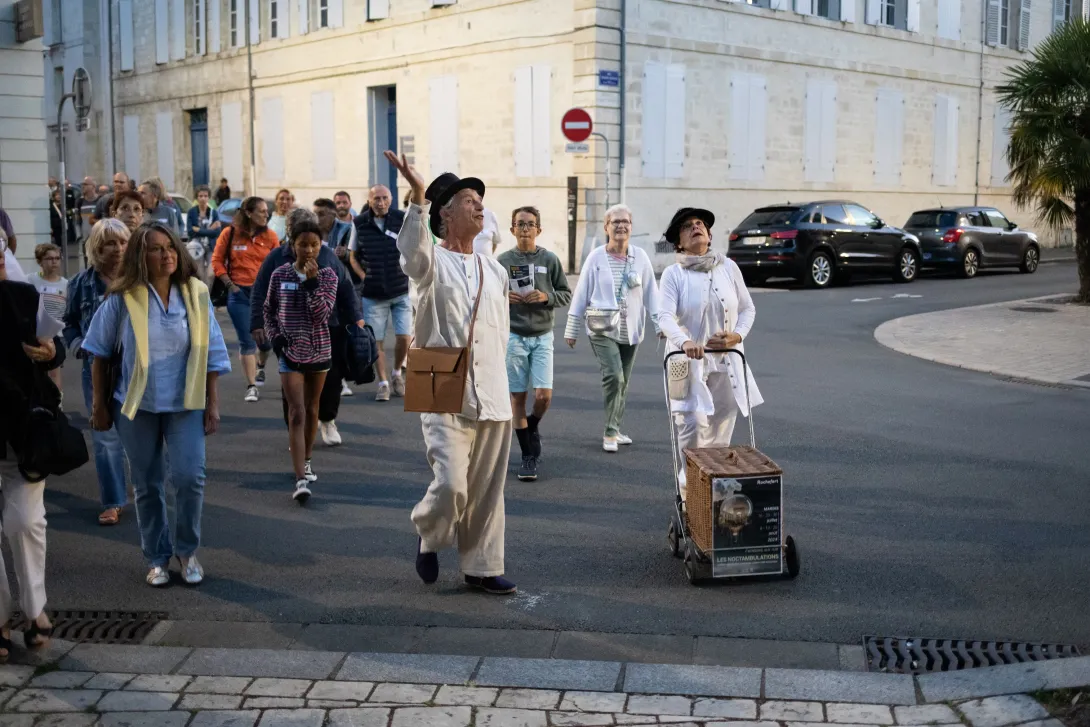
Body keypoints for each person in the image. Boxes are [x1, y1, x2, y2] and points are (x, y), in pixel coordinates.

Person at [387, 150, 517, 596]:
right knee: (450, 483)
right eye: (468, 199)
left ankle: (482, 566)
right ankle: (429, 532)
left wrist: (508, 386)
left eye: (480, 199)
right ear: (444, 214)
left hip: (493, 391)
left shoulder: (494, 270)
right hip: (441, 381)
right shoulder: (430, 264)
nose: (479, 204)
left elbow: (499, 336)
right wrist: (418, 195)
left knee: (486, 488)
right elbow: (412, 252)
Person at [83, 222, 231, 587]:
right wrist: (100, 406)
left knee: (189, 478)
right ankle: (157, 557)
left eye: (170, 247)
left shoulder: (195, 293)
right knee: (148, 486)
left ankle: (186, 550)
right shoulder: (122, 297)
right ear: (140, 256)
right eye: (155, 249)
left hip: (186, 403)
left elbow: (212, 351)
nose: (166, 255)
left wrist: (212, 404)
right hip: (136, 407)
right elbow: (98, 355)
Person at [657, 208, 764, 499]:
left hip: (727, 360)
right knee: (692, 426)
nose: (696, 228)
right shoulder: (673, 274)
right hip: (688, 362)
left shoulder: (728, 267)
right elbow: (664, 316)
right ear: (678, 241)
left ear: (709, 234)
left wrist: (737, 334)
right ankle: (689, 492)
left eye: (700, 224)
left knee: (720, 427)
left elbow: (747, 308)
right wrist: (684, 341)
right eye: (688, 226)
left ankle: (715, 494)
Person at [251, 208, 364, 448]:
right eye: (300, 235)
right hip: (289, 334)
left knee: (331, 381)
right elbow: (261, 291)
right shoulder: (276, 258)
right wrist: (258, 323)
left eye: (314, 239)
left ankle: (328, 419)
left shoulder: (328, 257)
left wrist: (356, 318)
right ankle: (296, 429)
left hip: (327, 329)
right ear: (290, 234)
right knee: (291, 388)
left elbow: (346, 288)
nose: (309, 247)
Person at [0, 234, 60, 658]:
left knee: (24, 522)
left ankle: (34, 607)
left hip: (22, 429)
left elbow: (50, 349)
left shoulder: (23, 296)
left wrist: (49, 352)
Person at [565, 204, 660, 453]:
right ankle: (609, 432)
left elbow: (651, 293)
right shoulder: (596, 257)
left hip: (631, 329)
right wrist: (572, 328)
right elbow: (582, 292)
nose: (621, 226)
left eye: (625, 222)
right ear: (606, 227)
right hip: (602, 327)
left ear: (631, 227)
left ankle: (616, 429)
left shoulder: (640, 257)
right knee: (614, 376)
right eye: (615, 222)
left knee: (624, 382)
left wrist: (661, 324)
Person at [264, 220, 339, 503]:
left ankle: (307, 458)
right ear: (291, 244)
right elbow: (268, 309)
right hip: (290, 353)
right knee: (296, 412)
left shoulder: (328, 276)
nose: (308, 250)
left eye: (314, 245)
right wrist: (275, 337)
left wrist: (311, 283)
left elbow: (321, 314)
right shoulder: (279, 273)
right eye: (303, 244)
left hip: (319, 351)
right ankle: (299, 479)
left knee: (312, 407)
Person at [63, 219, 131, 526]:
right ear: (96, 248)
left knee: (140, 435)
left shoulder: (140, 278)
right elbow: (69, 322)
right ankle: (114, 500)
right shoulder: (80, 283)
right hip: (97, 371)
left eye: (123, 243)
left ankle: (146, 491)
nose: (118, 250)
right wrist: (79, 345)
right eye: (110, 244)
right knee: (105, 438)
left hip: (138, 370)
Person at [497, 207, 571, 481]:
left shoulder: (549, 259)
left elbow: (565, 294)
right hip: (514, 336)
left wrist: (545, 297)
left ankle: (533, 425)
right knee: (517, 397)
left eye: (530, 224)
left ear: (539, 229)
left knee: (543, 397)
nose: (525, 228)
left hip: (542, 336)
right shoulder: (502, 261)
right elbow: (488, 297)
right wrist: (504, 297)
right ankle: (528, 457)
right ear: (512, 229)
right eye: (520, 224)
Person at [212, 196, 278, 402]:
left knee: (266, 343)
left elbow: (278, 264)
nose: (266, 214)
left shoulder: (271, 236)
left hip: (265, 295)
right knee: (247, 340)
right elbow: (216, 261)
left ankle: (261, 365)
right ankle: (251, 386)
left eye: (267, 211)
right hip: (239, 294)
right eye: (261, 211)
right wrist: (230, 285)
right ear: (248, 213)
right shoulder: (229, 234)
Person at [351, 184, 409, 402]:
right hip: (373, 294)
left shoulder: (401, 219)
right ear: (369, 200)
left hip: (400, 289)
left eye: (385, 198)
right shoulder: (360, 223)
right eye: (376, 198)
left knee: (404, 337)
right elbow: (353, 256)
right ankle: (383, 383)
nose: (381, 202)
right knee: (377, 341)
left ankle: (397, 373)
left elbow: (412, 247)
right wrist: (364, 276)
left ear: (391, 199)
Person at [314, 198, 358, 396]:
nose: (317, 218)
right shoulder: (310, 232)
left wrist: (346, 254)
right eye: (315, 213)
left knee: (340, 337)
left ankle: (341, 380)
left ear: (332, 214)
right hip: (316, 293)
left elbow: (353, 254)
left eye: (321, 214)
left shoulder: (347, 229)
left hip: (341, 292)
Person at [31, 243, 68, 395]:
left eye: (57, 258)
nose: (54, 262)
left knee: (54, 372)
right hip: (35, 336)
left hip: (56, 337)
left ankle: (57, 403)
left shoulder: (66, 284)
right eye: (49, 259)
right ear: (40, 261)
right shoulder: (30, 280)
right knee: (36, 373)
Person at [186, 185, 222, 284]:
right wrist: (209, 229)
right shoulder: (192, 212)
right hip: (196, 246)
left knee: (211, 274)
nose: (203, 198)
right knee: (200, 274)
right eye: (200, 196)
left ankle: (207, 297)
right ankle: (201, 297)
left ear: (209, 198)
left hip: (210, 246)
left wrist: (198, 230)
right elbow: (190, 231)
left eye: (205, 196)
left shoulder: (213, 213)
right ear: (196, 198)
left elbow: (217, 232)